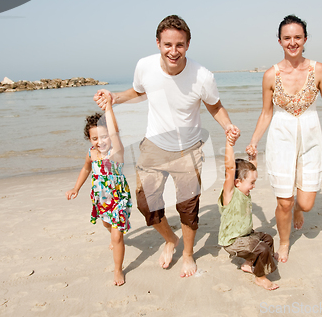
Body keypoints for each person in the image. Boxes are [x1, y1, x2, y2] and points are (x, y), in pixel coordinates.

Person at [94, 15, 239, 277]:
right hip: (153, 145)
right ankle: (171, 239)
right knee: (145, 204)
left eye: (180, 45)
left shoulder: (202, 76)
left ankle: (188, 254)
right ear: (158, 43)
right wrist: (114, 97)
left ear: (188, 44)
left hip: (189, 149)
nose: (174, 51)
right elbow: (139, 92)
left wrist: (227, 125)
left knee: (188, 208)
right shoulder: (145, 66)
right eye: (168, 45)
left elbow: (214, 106)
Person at [247, 15, 322, 263]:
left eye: (297, 37)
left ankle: (297, 210)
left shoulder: (319, 70)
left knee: (304, 203)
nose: (292, 42)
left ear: (305, 39)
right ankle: (284, 242)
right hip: (281, 138)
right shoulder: (270, 76)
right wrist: (254, 141)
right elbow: (266, 113)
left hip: (311, 137)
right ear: (280, 41)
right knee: (284, 201)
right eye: (287, 38)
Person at [66, 92, 132, 286]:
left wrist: (109, 108)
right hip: (101, 199)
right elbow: (86, 169)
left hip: (118, 199)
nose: (100, 141)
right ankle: (111, 232)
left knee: (117, 235)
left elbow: (114, 132)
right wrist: (76, 188)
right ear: (89, 139)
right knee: (106, 224)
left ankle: (118, 270)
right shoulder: (91, 153)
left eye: (104, 136)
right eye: (95, 138)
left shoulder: (116, 151)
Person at [218, 131, 279, 290]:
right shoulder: (230, 195)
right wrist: (230, 144)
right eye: (251, 183)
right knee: (262, 248)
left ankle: (248, 264)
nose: (253, 186)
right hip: (233, 241)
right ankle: (260, 277)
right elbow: (230, 169)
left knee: (267, 239)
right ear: (237, 182)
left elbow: (252, 170)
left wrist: (253, 157)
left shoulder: (245, 192)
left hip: (246, 235)